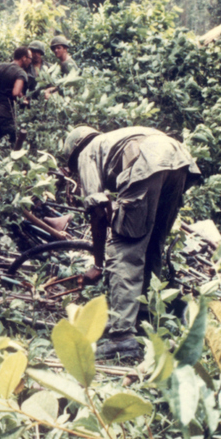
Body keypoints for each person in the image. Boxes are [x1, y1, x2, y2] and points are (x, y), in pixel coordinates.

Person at [63, 126, 201, 359]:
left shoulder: (87, 152)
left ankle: (122, 337)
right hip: (179, 161)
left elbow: (96, 210)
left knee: (124, 250)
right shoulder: (112, 140)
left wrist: (98, 264)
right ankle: (144, 319)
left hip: (148, 162)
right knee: (151, 245)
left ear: (74, 154)